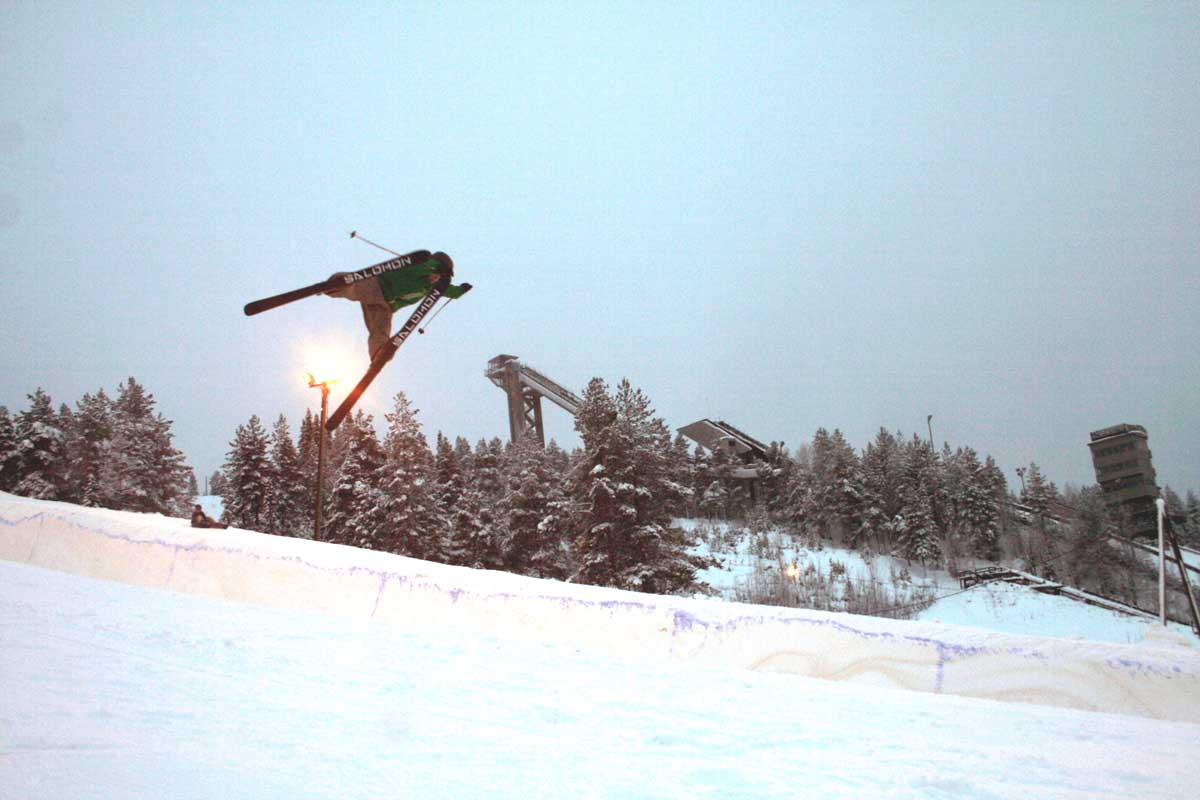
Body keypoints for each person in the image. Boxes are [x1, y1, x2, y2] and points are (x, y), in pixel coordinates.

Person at [325, 251, 471, 360]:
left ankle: (378, 354)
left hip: (385, 307)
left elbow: (451, 291)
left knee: (380, 331)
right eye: (436, 273)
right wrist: (432, 269)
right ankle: (334, 285)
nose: (435, 278)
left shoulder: (434, 287)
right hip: (377, 286)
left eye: (439, 277)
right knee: (355, 287)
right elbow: (421, 267)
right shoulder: (420, 266)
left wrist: (461, 290)